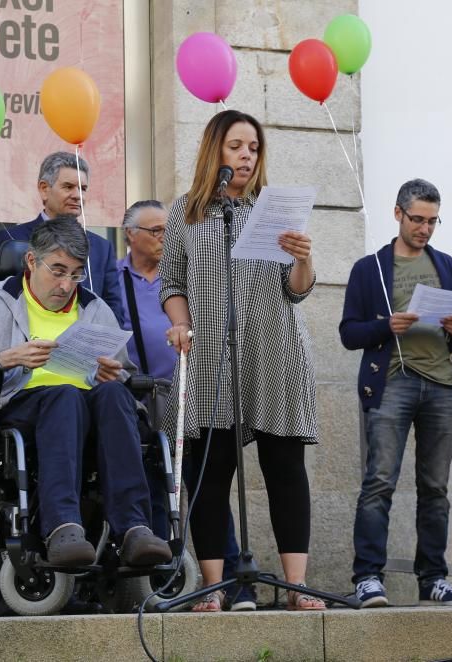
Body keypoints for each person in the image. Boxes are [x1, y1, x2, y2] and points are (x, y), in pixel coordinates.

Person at [0, 216, 171, 568]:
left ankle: (135, 528)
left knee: (115, 396)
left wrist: (113, 373)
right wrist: (5, 358)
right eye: (58, 270)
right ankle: (62, 527)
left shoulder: (94, 308)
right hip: (24, 412)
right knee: (64, 396)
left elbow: (124, 373)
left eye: (75, 274)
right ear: (31, 261)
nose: (66, 284)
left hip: (92, 417)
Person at [160, 110, 323, 613]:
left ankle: (296, 587)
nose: (247, 155)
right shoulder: (185, 212)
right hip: (208, 352)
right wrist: (180, 323)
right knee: (210, 472)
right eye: (236, 146)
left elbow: (296, 293)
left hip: (274, 350)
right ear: (216, 151)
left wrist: (302, 258)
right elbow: (171, 282)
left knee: (284, 467)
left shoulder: (272, 210)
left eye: (254, 147)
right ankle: (216, 589)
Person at [340, 178, 452, 608]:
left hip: (440, 384)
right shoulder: (371, 268)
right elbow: (348, 333)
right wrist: (387, 325)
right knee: (379, 481)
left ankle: (433, 578)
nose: (425, 228)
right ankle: (367, 577)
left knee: (435, 487)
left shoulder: (447, 264)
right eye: (417, 219)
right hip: (392, 381)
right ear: (397, 213)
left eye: (433, 221)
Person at [119, 199, 250, 611]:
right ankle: (165, 577)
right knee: (155, 488)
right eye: (155, 231)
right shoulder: (112, 279)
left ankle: (233, 582)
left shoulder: (185, 273)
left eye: (166, 230)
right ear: (130, 235)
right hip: (138, 399)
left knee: (205, 485)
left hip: (191, 392)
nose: (163, 238)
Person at [0, 151, 125, 325]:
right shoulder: (12, 239)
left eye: (83, 188)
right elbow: (2, 305)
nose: (78, 195)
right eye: (68, 187)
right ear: (44, 189)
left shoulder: (101, 247)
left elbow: (114, 309)